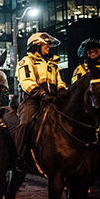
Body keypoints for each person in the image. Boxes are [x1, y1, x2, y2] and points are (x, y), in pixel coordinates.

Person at [14, 32, 66, 163]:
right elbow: (26, 81)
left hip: (52, 100)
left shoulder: (53, 64)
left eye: (49, 43)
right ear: (36, 45)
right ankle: (18, 157)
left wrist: (61, 92)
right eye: (45, 43)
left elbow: (60, 81)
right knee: (25, 122)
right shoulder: (26, 61)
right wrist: (42, 94)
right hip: (32, 101)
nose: (48, 46)